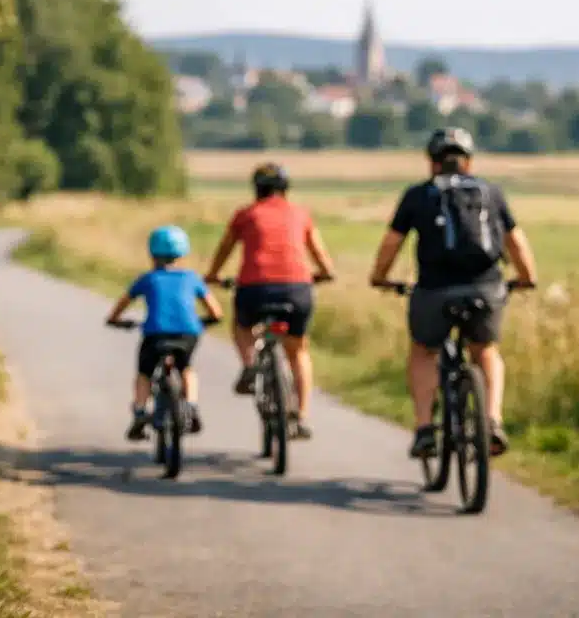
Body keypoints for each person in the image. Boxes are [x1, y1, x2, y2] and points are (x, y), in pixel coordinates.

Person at [368, 127, 539, 459]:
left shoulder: (418, 195)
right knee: (486, 350)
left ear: (432, 163)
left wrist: (380, 277)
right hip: (485, 287)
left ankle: (423, 430)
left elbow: (392, 242)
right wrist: (527, 277)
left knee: (424, 351)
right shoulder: (491, 193)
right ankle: (492, 421)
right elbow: (515, 240)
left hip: (434, 289)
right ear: (469, 163)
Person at [204, 162, 336, 440]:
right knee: (298, 351)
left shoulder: (245, 214)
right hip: (296, 289)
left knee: (242, 327)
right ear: (285, 189)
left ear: (256, 189)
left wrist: (213, 275)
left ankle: (250, 365)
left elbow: (224, 248)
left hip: (254, 288)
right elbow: (320, 254)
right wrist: (324, 274)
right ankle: (300, 417)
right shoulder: (300, 214)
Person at [105, 225, 225, 441]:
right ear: (183, 253)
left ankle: (140, 413)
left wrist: (115, 320)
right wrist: (208, 321)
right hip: (187, 334)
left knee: (144, 373)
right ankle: (192, 406)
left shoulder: (148, 279)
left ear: (152, 253)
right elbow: (216, 311)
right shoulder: (192, 278)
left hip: (155, 335)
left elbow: (121, 305)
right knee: (186, 368)